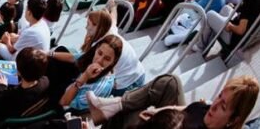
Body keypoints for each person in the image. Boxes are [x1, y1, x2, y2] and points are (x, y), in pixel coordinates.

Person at [88, 74, 259, 129]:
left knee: (131, 116)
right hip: (174, 119)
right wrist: (157, 112)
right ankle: (113, 106)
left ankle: (112, 111)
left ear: (233, 120)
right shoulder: (207, 108)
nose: (214, 105)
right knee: (171, 82)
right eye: (220, 96)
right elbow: (187, 107)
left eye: (223, 106)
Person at [59, 34, 123, 114]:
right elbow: (75, 57)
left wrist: (85, 76)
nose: (99, 60)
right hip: (67, 84)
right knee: (61, 50)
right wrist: (50, 54)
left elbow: (64, 102)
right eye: (99, 53)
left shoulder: (100, 87)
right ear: (96, 49)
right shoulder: (91, 57)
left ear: (113, 62)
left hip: (66, 105)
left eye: (107, 59)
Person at [0, 47, 52, 120]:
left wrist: (2, 87)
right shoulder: (46, 81)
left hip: (3, 114)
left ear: (18, 71)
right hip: (26, 111)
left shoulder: (10, 96)